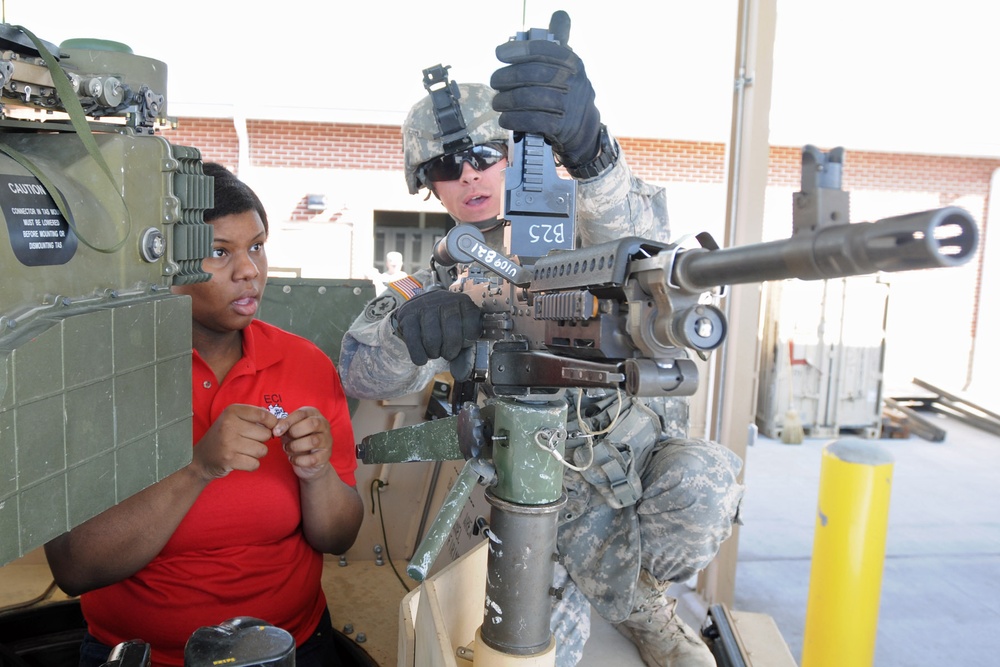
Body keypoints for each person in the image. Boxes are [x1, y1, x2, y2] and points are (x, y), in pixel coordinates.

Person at [340, 12, 744, 667]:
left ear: (512, 154)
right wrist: (414, 335)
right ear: (427, 182)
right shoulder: (442, 276)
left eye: (482, 155)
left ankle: (644, 604)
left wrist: (594, 153)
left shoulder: (588, 231)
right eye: (446, 165)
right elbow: (360, 370)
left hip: (628, 464)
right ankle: (627, 600)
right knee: (528, 649)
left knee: (707, 479)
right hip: (522, 486)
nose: (468, 175)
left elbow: (646, 247)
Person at [43, 163, 364, 667]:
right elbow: (74, 567)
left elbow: (339, 537)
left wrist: (317, 474)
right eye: (220, 252)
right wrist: (199, 468)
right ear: (165, 262)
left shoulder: (306, 365)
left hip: (296, 647)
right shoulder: (100, 377)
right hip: (144, 656)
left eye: (256, 245)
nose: (249, 270)